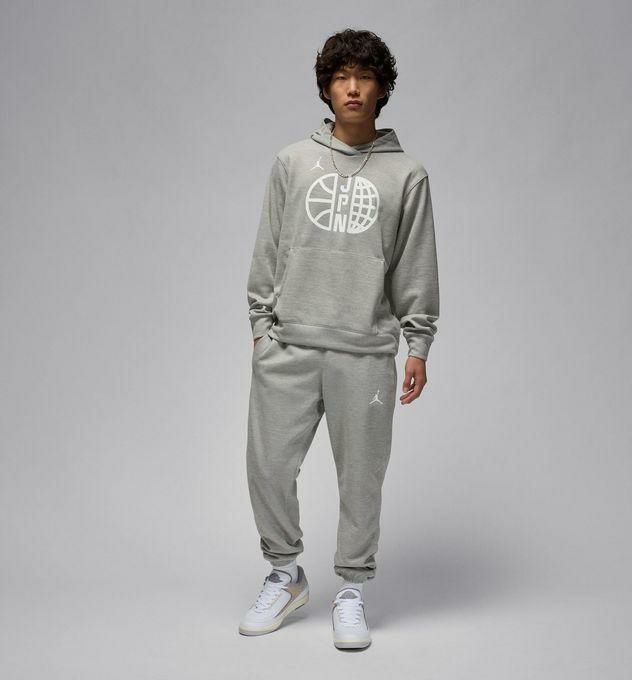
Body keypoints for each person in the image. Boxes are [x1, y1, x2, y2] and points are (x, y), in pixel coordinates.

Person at [238, 28, 440, 650]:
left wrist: (418, 345)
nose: (352, 88)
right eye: (341, 77)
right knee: (268, 466)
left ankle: (351, 589)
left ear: (382, 88)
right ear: (326, 87)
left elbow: (414, 265)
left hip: (365, 353)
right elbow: (268, 248)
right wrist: (261, 328)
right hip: (290, 345)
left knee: (361, 479)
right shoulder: (292, 162)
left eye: (365, 77)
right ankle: (285, 574)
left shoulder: (407, 175)